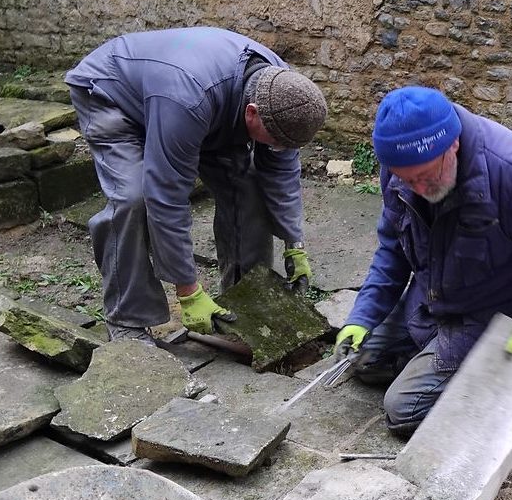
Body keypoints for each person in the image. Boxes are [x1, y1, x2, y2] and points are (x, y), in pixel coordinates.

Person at [336, 86, 512, 437]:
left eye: (426, 176)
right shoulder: (402, 172)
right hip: (436, 298)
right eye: (406, 178)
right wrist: (363, 314)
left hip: (498, 312)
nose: (418, 187)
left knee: (405, 412)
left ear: (453, 144)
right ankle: (448, 357)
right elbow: (393, 247)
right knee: (363, 360)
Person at [65, 27, 328, 343]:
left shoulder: (284, 90)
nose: (279, 148)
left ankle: (244, 297)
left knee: (246, 184)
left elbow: (281, 170)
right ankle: (127, 320)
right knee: (134, 198)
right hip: (113, 94)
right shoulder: (188, 100)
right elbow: (166, 196)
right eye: (274, 140)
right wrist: (187, 291)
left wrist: (294, 242)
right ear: (253, 113)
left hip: (199, 101)